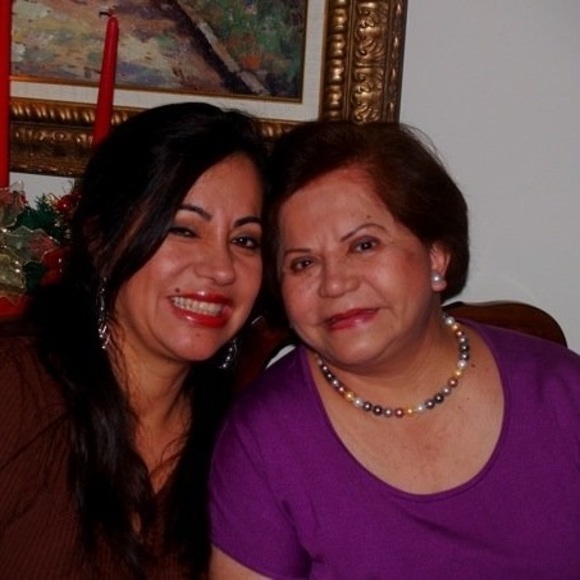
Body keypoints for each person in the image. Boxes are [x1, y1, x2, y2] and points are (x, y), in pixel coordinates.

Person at [208, 120, 580, 578]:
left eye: (364, 245)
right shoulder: (263, 441)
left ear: (436, 256)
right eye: (303, 263)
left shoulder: (565, 396)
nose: (334, 283)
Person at [0, 102, 268, 578]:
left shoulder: (242, 443)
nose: (222, 268)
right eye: (184, 229)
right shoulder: (15, 385)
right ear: (101, 241)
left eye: (245, 240)